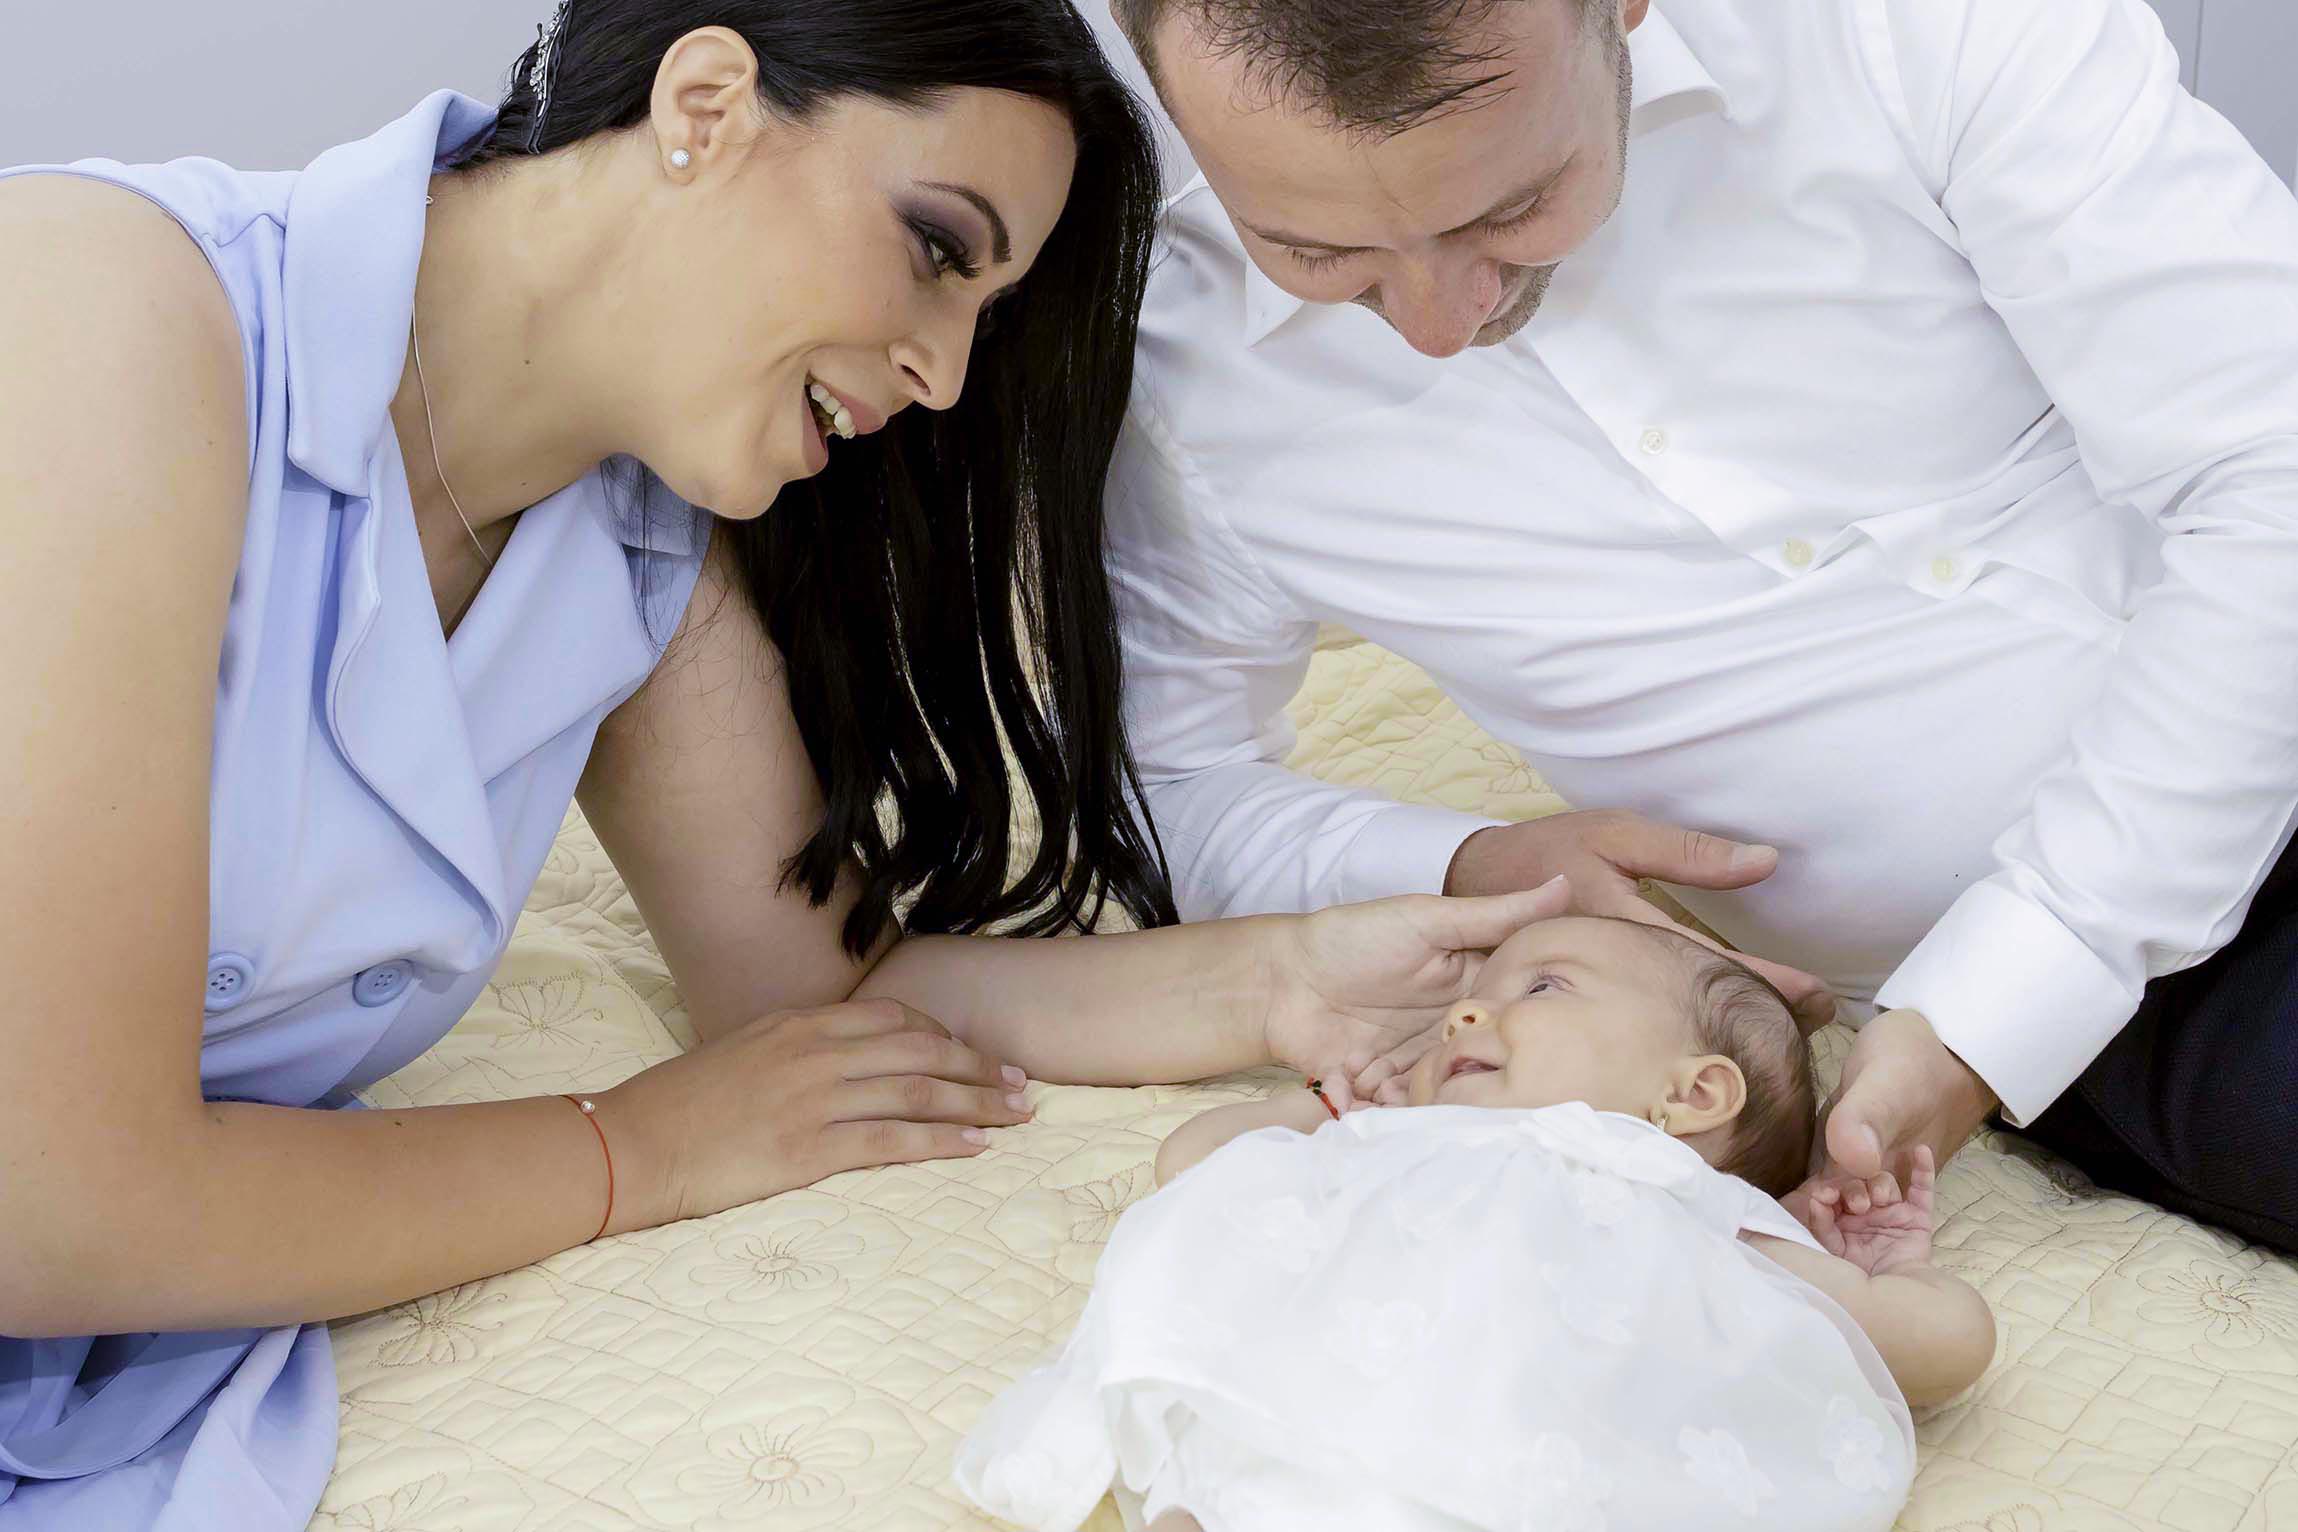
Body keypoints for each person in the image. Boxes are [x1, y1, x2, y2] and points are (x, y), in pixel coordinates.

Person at [0, 4, 1570, 1525]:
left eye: (983, 311)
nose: (947, 374)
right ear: (706, 105)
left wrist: (1287, 980)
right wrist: (630, 1151)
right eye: (938, 250)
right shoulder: (96, 309)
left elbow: (815, 1008)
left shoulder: (632, 552)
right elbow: (62, 1204)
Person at [1095, 0, 2298, 1249]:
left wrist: (2020, 979)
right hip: (2158, 1004)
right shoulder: (1183, 386)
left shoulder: (1905, 28)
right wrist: (1461, 864)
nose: (1438, 326)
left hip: (2050, 961)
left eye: (1513, 208)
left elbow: (2275, 453)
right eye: (1317, 257)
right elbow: (1169, 782)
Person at [954, 916, 1996, 1531]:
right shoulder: (1394, 1139)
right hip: (1299, 1429)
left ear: (1690, 1095)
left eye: (1539, 987)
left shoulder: (1685, 1208)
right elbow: (1192, 1174)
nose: (1464, 1013)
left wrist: (1882, 1268)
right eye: (1474, 994)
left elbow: (1946, 1347)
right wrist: (1312, 1107)